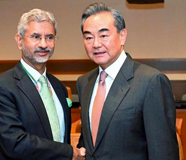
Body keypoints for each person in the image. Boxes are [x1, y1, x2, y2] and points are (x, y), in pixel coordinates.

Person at [76, 2, 179, 160]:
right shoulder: (84, 82)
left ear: (122, 35)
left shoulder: (150, 81)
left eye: (103, 35)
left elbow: (163, 151)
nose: (96, 44)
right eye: (89, 37)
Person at [0, 9, 85, 160]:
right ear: (19, 41)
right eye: (36, 37)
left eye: (49, 37)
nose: (44, 44)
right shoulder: (1, 87)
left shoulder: (59, 88)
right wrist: (69, 153)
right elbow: (15, 144)